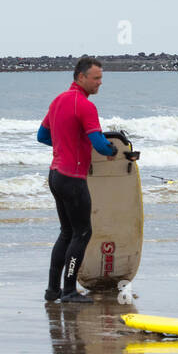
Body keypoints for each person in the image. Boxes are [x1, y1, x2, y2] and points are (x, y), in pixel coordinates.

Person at [37, 56, 117, 303]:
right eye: (96, 78)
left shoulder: (58, 101)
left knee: (66, 232)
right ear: (81, 77)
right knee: (82, 233)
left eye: (101, 78)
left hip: (55, 175)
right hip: (72, 179)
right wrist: (114, 150)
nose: (100, 83)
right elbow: (100, 145)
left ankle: (53, 290)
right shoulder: (85, 105)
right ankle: (69, 290)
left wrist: (67, 143)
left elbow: (42, 136)